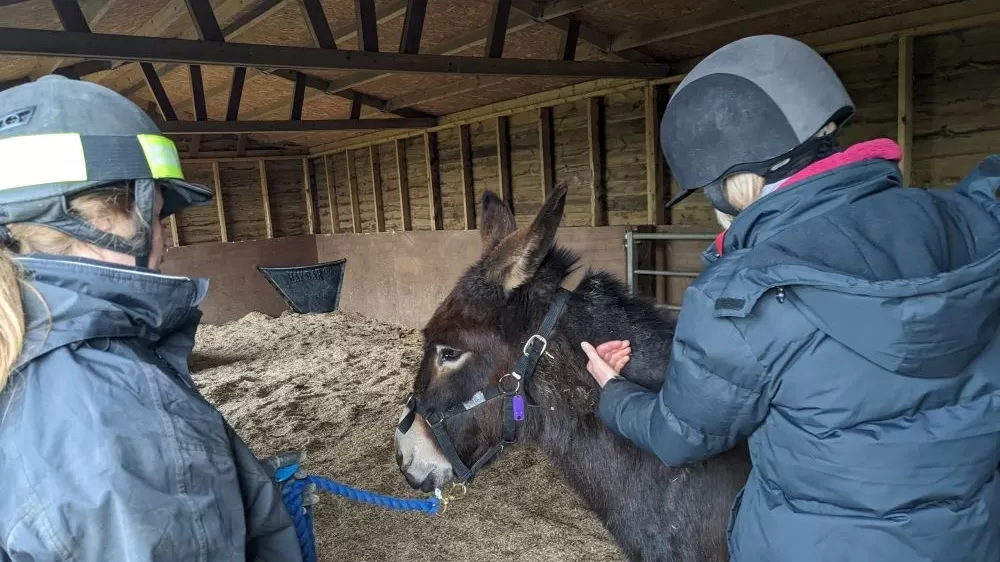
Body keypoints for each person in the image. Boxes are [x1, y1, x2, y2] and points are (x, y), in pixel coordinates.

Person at [580, 34, 1000, 562]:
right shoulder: (973, 220)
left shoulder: (743, 295)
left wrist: (612, 392)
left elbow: (679, 437)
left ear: (730, 183)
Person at [0, 75, 309, 561]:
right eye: (160, 217)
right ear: (101, 223)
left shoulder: (21, 348)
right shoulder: (118, 420)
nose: (166, 240)